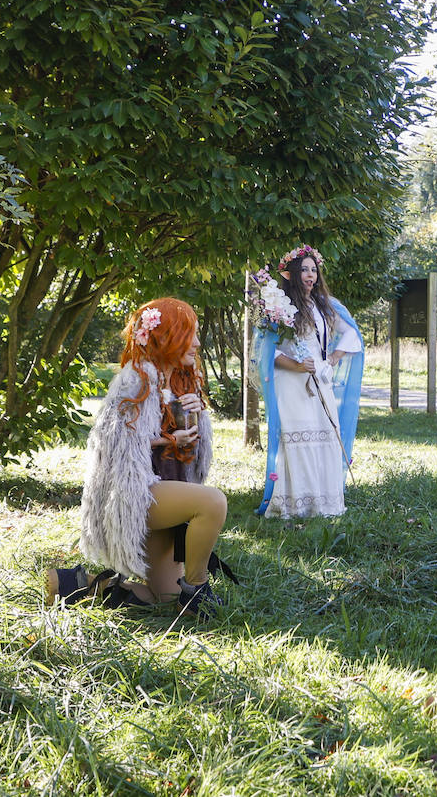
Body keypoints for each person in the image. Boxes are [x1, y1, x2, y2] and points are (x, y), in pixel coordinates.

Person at [46, 298, 230, 618]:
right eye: (190, 334)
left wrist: (195, 418)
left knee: (161, 595)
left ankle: (72, 583)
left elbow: (190, 453)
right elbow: (118, 443)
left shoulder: (178, 379)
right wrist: (171, 437)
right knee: (213, 502)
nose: (198, 343)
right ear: (165, 335)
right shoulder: (137, 376)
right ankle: (196, 592)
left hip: (164, 486)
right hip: (136, 494)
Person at [256, 245, 364, 518]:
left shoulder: (325, 304)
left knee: (324, 437)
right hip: (292, 382)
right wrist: (297, 365)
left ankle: (323, 502)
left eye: (313, 270)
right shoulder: (280, 307)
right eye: (303, 269)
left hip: (321, 380)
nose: (310, 274)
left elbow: (351, 333)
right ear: (291, 274)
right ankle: (296, 504)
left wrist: (332, 360)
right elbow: (268, 352)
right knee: (298, 439)